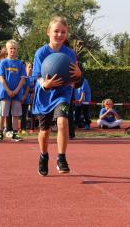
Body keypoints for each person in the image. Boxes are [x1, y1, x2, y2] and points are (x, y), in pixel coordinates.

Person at [32, 16, 82, 176]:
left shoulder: (70, 54)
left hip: (63, 93)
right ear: (48, 32)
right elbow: (37, 76)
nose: (60, 35)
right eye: (56, 31)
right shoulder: (41, 53)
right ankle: (43, 156)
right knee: (44, 131)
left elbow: (75, 77)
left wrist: (79, 75)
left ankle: (61, 158)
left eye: (63, 32)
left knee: (62, 122)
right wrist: (44, 84)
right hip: (45, 95)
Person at [0, 40, 26, 142]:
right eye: (11, 49)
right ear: (7, 50)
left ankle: (15, 133)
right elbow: (1, 78)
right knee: (3, 113)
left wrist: (16, 90)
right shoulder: (3, 62)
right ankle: (0, 132)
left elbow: (22, 79)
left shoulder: (20, 63)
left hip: (17, 93)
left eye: (14, 49)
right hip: (5, 92)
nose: (13, 50)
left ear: (17, 50)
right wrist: (8, 90)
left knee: (15, 114)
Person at [21, 62, 36, 134]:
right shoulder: (23, 77)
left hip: (31, 97)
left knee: (32, 113)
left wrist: (33, 94)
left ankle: (32, 128)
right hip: (23, 97)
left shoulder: (34, 78)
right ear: (25, 68)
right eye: (29, 67)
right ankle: (21, 128)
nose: (30, 69)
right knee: (21, 114)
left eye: (31, 67)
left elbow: (35, 88)